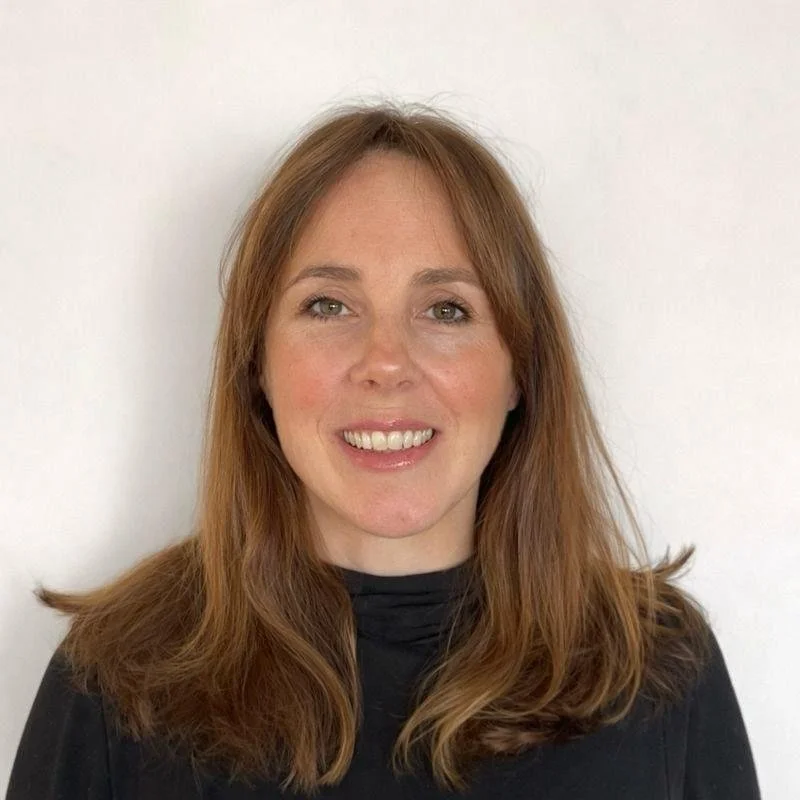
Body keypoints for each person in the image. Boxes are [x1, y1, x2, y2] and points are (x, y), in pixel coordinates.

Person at [7, 103, 760, 799]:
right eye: (328, 305)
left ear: (520, 368)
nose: (386, 362)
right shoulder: (115, 681)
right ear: (257, 364)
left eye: (447, 309)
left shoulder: (659, 672)